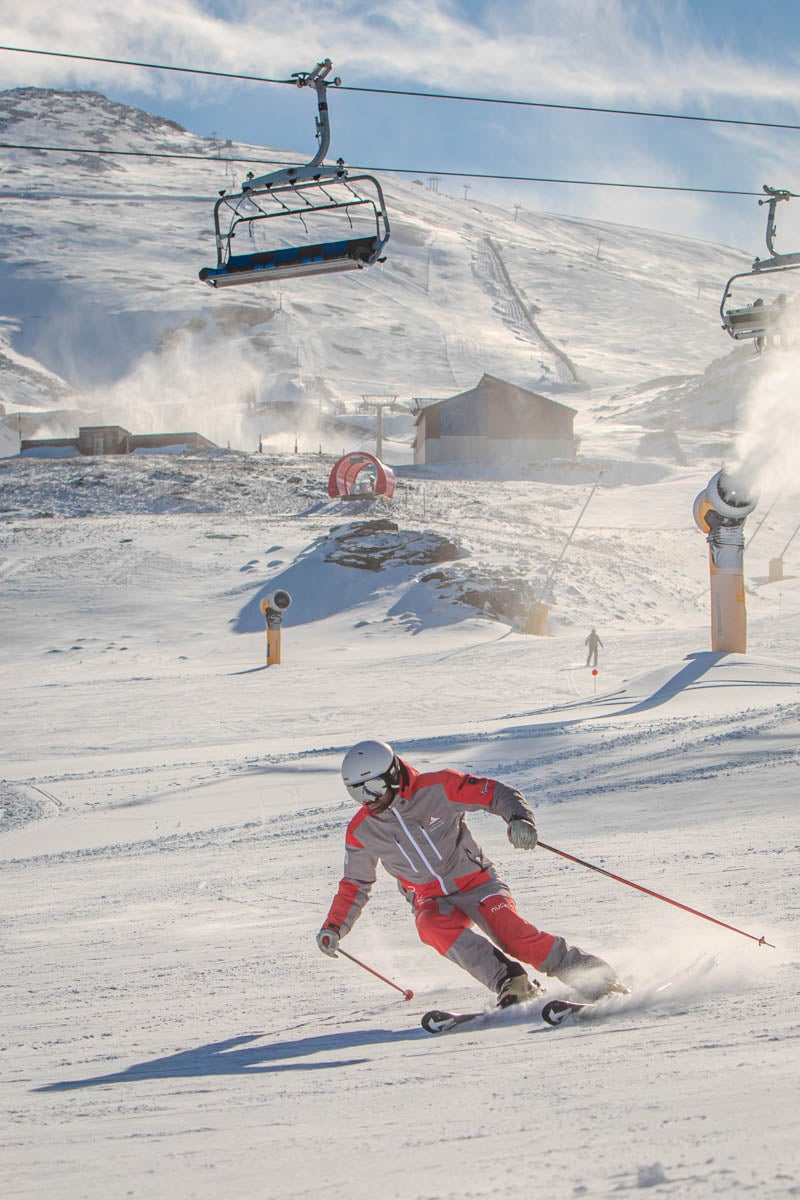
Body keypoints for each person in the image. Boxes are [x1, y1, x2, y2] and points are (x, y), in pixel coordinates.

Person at [316, 740, 625, 1007]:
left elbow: (495, 792)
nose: (371, 799)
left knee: (511, 934)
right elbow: (355, 884)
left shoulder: (437, 787)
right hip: (432, 898)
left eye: (376, 787)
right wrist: (334, 927)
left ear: (394, 774)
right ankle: (512, 983)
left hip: (477, 882)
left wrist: (518, 819)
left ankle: (594, 976)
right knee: (430, 927)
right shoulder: (362, 831)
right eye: (358, 793)